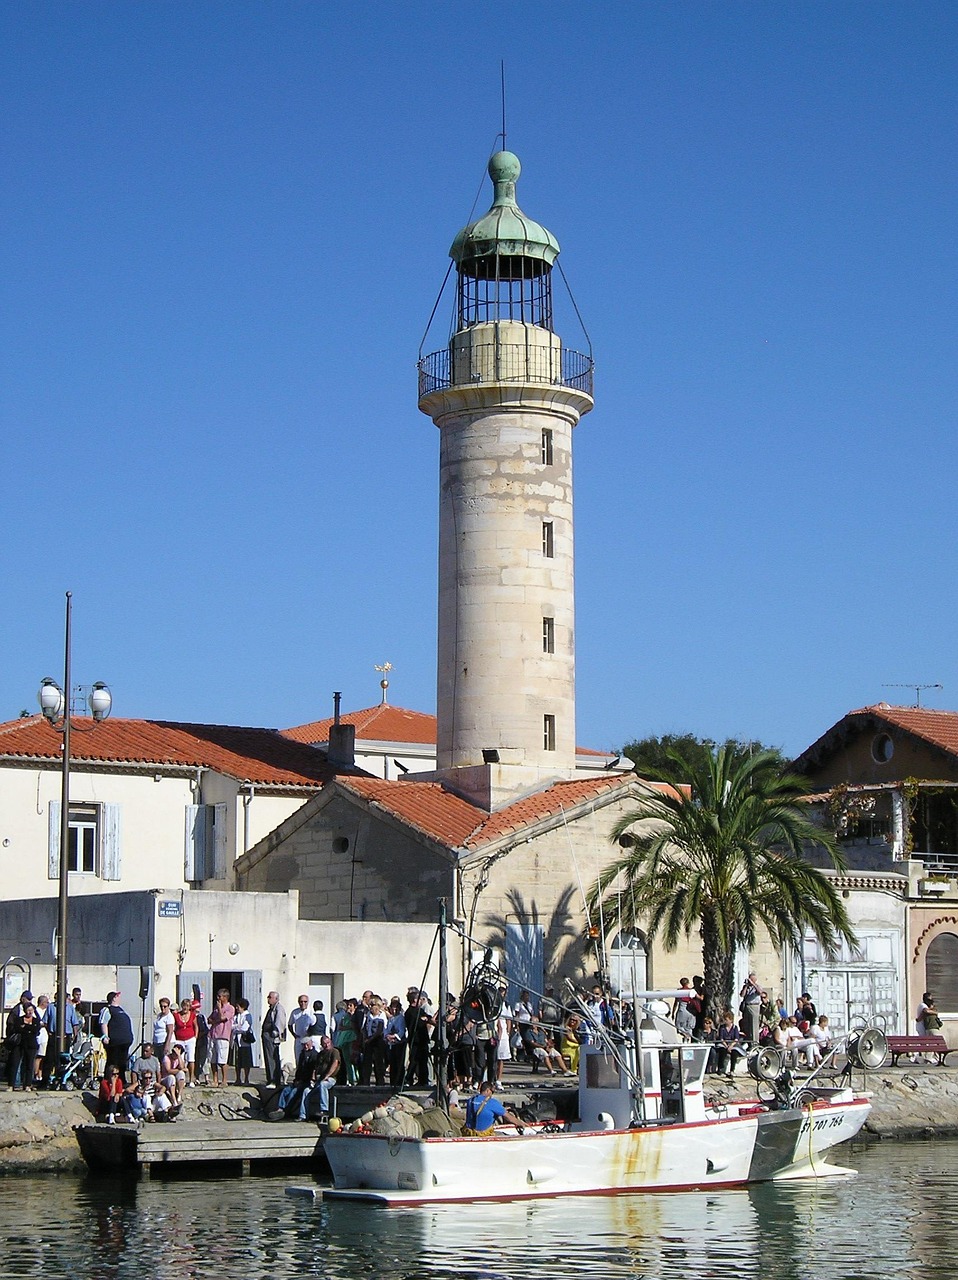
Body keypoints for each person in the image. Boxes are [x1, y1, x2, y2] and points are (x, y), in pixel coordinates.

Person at [5, 991, 39, 1090]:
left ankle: (27, 1085)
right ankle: (12, 1084)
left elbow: (36, 1030)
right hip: (19, 1043)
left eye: (31, 1010)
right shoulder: (18, 1016)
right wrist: (28, 1028)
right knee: (15, 1064)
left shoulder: (35, 1019)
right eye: (28, 1010)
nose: (30, 1012)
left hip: (31, 1044)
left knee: (29, 1065)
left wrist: (26, 1027)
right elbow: (16, 1028)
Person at [100, 992, 135, 1082]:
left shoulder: (120, 1009)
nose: (119, 997)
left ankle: (121, 1081)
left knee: (122, 1063)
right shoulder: (107, 1009)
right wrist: (105, 1036)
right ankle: (109, 1081)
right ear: (113, 998)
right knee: (113, 1063)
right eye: (117, 996)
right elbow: (104, 1023)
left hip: (125, 1042)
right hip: (115, 1043)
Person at [208, 989, 235, 1087]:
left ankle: (224, 1080)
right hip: (213, 1035)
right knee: (213, 1059)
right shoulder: (215, 1007)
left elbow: (223, 1018)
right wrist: (216, 1020)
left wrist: (220, 1009)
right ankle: (215, 1080)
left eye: (220, 996)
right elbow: (210, 1019)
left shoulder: (230, 1008)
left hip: (223, 1035)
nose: (218, 998)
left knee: (222, 1059)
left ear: (225, 997)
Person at [261, 991, 287, 1087]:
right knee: (268, 1057)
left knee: (272, 1057)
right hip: (267, 1035)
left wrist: (276, 1034)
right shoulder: (272, 1008)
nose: (268, 998)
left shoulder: (279, 1009)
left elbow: (280, 1022)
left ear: (276, 999)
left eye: (270, 997)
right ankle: (270, 1079)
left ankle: (273, 1080)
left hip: (271, 1036)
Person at [360, 996, 388, 1086]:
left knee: (378, 1062)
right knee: (367, 1062)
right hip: (368, 1040)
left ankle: (380, 1081)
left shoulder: (381, 1015)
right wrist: (365, 1038)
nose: (370, 1007)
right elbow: (364, 1027)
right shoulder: (368, 1015)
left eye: (372, 1005)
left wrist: (371, 1038)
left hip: (377, 1041)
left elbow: (380, 1030)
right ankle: (365, 1081)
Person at [172, 998, 199, 1086]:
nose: (185, 1008)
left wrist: (195, 1037)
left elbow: (196, 1026)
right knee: (180, 1059)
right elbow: (174, 1026)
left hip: (190, 1038)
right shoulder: (176, 1015)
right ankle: (181, 1079)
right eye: (184, 1006)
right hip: (179, 1039)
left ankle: (191, 1079)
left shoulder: (192, 1015)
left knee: (191, 1059)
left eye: (187, 1006)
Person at [385, 997, 407, 1089]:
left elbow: (401, 1031)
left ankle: (399, 1081)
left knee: (399, 1063)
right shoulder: (391, 1019)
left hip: (399, 1043)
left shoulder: (401, 1018)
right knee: (392, 1063)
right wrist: (387, 1036)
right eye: (392, 1007)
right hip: (391, 1043)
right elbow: (387, 1029)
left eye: (395, 1008)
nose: (394, 1010)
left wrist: (394, 1037)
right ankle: (392, 1081)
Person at [715, 1012, 745, 1077]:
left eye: (727, 1020)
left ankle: (732, 1070)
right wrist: (726, 1046)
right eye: (725, 1020)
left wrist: (731, 1046)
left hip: (733, 1044)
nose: (725, 1021)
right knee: (722, 1051)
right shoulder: (722, 1027)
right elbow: (721, 1038)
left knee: (734, 1053)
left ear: (731, 1020)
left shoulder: (735, 1028)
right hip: (724, 1043)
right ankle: (720, 1068)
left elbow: (736, 1038)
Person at [232, 998, 254, 1086]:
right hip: (236, 1041)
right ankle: (238, 1079)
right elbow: (231, 1026)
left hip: (244, 1041)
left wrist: (236, 1027)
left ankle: (246, 1079)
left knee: (246, 1061)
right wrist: (237, 1027)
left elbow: (244, 1028)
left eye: (238, 1006)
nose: (236, 1008)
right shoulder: (236, 1016)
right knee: (237, 1061)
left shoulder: (247, 1016)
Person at [288, 994, 314, 1065]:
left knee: (309, 1058)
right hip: (299, 1038)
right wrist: (294, 1034)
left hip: (308, 1038)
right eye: (301, 1001)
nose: (303, 1003)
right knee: (298, 1058)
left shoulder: (311, 1012)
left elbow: (314, 1025)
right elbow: (290, 1024)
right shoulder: (295, 1012)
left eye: (305, 1001)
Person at [739, 973, 762, 1046]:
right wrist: (746, 986)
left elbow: (760, 992)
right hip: (747, 1006)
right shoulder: (747, 987)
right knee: (747, 1025)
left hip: (754, 1006)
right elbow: (741, 995)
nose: (750, 981)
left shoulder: (757, 986)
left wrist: (753, 984)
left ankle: (755, 1042)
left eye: (751, 979)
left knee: (754, 1025)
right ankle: (748, 1042)